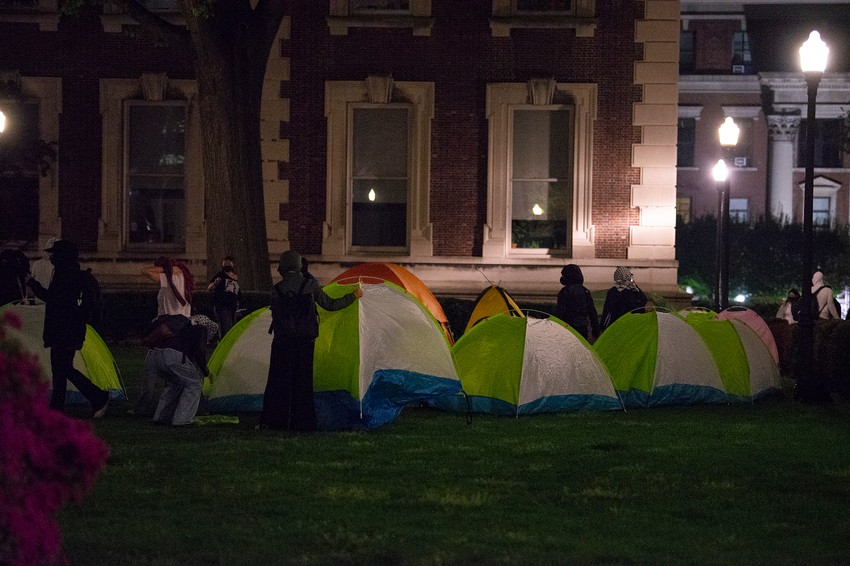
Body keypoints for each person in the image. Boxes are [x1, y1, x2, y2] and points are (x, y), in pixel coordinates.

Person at [261, 250, 362, 431]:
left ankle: (275, 421)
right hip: (305, 341)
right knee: (303, 383)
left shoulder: (275, 290)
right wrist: (353, 296)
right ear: (299, 265)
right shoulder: (310, 285)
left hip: (282, 342)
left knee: (280, 382)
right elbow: (331, 305)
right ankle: (303, 422)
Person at [25, 239, 109, 417]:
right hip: (69, 329)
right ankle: (58, 407)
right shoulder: (70, 273)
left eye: (55, 254)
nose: (52, 257)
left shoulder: (65, 275)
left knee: (63, 368)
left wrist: (33, 284)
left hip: (64, 330)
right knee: (61, 368)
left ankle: (98, 396)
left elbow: (53, 299)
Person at [144, 316, 210, 426]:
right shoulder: (201, 330)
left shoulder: (184, 329)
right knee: (194, 384)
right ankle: (182, 420)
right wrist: (206, 372)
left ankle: (161, 417)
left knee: (175, 384)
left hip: (154, 356)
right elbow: (200, 353)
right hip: (172, 355)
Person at [554, 264, 599, 342]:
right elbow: (592, 312)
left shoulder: (565, 292)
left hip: (568, 328)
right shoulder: (585, 291)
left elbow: (560, 312)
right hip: (582, 327)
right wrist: (596, 331)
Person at [600, 266, 647, 331]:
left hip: (617, 327)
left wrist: (602, 328)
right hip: (635, 327)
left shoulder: (613, 292)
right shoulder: (635, 290)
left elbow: (607, 312)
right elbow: (644, 302)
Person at [207, 256, 240, 337]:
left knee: (232, 327)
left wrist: (238, 303)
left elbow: (237, 291)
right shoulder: (220, 275)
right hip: (222, 306)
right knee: (226, 327)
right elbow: (210, 288)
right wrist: (215, 283)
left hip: (233, 306)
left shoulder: (234, 276)